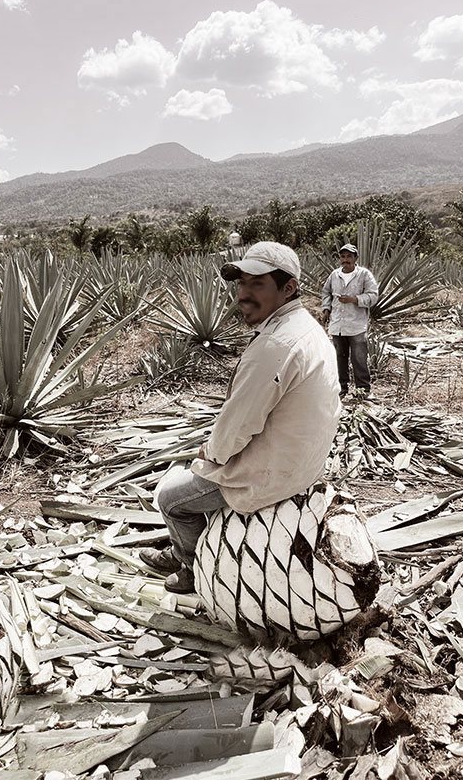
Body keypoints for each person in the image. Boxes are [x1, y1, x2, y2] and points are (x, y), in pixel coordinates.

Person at [140, 241, 341, 593]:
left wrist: (212, 453)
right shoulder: (306, 329)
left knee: (171, 499)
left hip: (271, 471)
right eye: (241, 283)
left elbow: (240, 422)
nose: (243, 294)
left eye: (257, 284)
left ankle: (191, 567)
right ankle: (188, 549)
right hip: (302, 461)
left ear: (288, 287)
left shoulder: (276, 344)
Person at [321, 244, 379, 398]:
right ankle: (341, 388)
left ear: (355, 258)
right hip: (337, 324)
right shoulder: (334, 275)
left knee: (359, 358)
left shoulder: (364, 275)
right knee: (339, 357)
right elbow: (326, 292)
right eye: (343, 256)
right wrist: (326, 309)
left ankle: (363, 390)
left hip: (356, 325)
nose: (345, 260)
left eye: (349, 256)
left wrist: (354, 299)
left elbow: (373, 296)